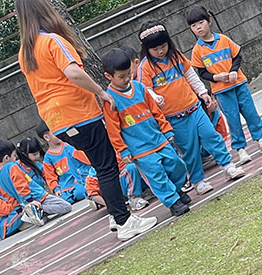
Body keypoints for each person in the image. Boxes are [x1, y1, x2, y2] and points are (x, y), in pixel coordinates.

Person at [15, 0, 157, 241]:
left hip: (57, 122)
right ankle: (123, 220)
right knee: (107, 166)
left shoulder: (25, 53)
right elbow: (72, 72)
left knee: (101, 166)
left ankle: (116, 215)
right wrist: (101, 92)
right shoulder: (53, 41)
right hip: (79, 114)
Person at [137, 21, 244, 195]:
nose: (161, 51)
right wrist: (155, 97)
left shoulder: (176, 56)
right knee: (189, 150)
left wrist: (202, 92)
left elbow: (190, 75)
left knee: (211, 136)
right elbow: (145, 89)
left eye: (163, 46)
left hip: (194, 108)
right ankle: (198, 180)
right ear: (146, 49)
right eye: (155, 49)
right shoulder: (145, 67)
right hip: (174, 118)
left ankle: (228, 166)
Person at [101, 48, 192, 219]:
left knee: (176, 164)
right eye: (121, 77)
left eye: (129, 73)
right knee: (156, 175)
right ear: (108, 76)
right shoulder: (110, 100)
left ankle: (177, 189)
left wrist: (166, 129)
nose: (127, 79)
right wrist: (123, 150)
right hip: (140, 149)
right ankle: (173, 202)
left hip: (158, 139)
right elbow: (113, 129)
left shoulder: (139, 87)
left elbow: (156, 111)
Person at [188, 7, 262, 166]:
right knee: (233, 119)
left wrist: (234, 71)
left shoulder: (223, 39)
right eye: (194, 25)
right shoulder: (197, 51)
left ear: (209, 21)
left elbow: (237, 57)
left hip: (238, 84)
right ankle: (240, 149)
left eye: (201, 22)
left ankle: (260, 139)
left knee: (250, 113)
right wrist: (216, 77)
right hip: (221, 91)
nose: (198, 27)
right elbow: (202, 72)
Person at [0, 139, 72, 225]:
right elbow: (20, 184)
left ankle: (35, 213)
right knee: (66, 206)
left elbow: (7, 194)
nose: (15, 158)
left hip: (26, 202)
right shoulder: (12, 166)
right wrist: (30, 200)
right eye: (14, 155)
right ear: (6, 158)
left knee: (60, 206)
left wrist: (17, 208)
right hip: (37, 196)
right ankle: (37, 211)